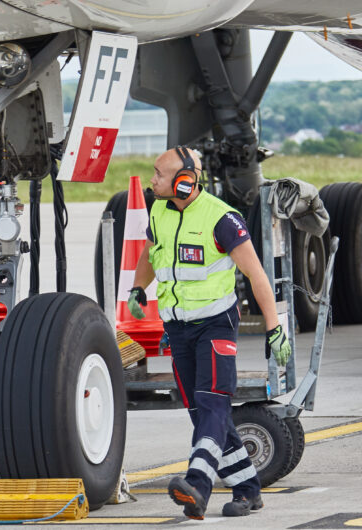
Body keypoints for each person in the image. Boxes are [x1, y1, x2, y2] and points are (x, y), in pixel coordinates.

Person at [128, 146, 291, 520]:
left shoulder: (222, 219)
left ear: (184, 182)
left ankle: (197, 484)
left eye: (158, 174)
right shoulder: (159, 211)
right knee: (202, 412)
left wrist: (273, 328)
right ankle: (248, 489)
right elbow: (152, 253)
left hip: (216, 324)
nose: (151, 180)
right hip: (178, 329)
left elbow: (256, 274)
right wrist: (139, 289)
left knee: (214, 404)